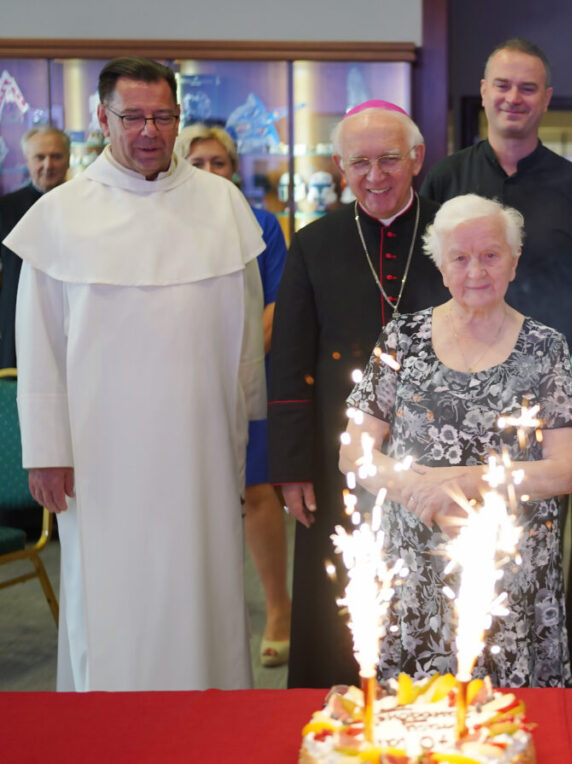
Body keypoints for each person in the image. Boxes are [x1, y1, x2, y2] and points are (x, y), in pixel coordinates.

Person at [5, 57, 266, 691]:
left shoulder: (221, 204)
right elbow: (37, 344)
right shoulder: (61, 215)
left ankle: (211, 721)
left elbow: (244, 330)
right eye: (133, 117)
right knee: (112, 598)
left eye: (163, 116)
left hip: (199, 447)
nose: (149, 130)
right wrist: (45, 452)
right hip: (100, 455)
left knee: (201, 582)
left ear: (178, 117)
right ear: (102, 118)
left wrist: (247, 431)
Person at [339, 194, 572, 686]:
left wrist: (464, 481)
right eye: (460, 257)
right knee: (416, 722)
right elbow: (352, 451)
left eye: (490, 255)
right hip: (413, 569)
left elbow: (563, 471)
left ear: (514, 262)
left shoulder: (546, 347)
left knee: (509, 726)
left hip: (509, 571)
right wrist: (419, 492)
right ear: (441, 265)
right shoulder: (401, 338)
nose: (476, 270)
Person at [268, 100, 447, 688]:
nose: (376, 176)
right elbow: (290, 361)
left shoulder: (452, 233)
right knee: (341, 590)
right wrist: (292, 468)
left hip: (438, 447)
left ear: (416, 159)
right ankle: (340, 714)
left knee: (434, 587)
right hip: (336, 451)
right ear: (342, 168)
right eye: (360, 162)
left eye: (390, 159)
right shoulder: (315, 243)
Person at [176, 123, 292, 668]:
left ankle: (278, 609)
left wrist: (229, 367)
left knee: (256, 494)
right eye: (195, 162)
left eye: (217, 162)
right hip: (177, 389)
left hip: (248, 380)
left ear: (234, 168)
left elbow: (273, 310)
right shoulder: (164, 226)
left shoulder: (262, 224)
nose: (207, 172)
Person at [419, 37, 572, 346]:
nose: (514, 97)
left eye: (528, 88)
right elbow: (425, 278)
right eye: (502, 85)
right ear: (483, 91)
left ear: (546, 99)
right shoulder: (444, 179)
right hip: (457, 356)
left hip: (551, 362)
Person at [0, 126, 70, 368]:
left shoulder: (86, 204)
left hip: (70, 316)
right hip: (17, 316)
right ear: (27, 161)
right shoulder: (4, 208)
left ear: (69, 158)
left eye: (56, 156)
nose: (48, 165)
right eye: (40, 157)